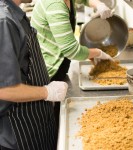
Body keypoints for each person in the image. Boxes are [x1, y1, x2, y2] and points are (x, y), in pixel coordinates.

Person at [31, 0, 114, 141]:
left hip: (59, 66)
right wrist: (98, 53)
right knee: (48, 128)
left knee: (55, 119)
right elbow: (71, 50)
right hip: (48, 71)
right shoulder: (54, 4)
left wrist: (98, 4)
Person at [0, 0, 68, 150]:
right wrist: (47, 92)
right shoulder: (4, 21)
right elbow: (4, 89)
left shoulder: (16, 14)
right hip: (19, 131)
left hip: (36, 122)